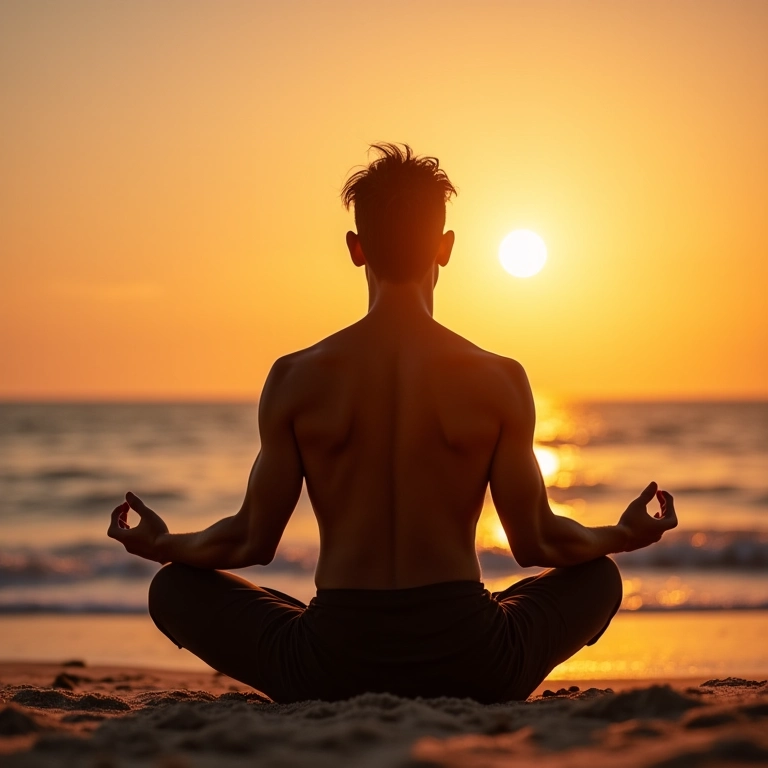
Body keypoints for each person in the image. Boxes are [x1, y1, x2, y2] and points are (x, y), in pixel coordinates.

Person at [107, 143, 677, 703]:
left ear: (356, 248)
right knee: (598, 577)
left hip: (328, 665)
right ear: (446, 247)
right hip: (476, 662)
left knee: (175, 588)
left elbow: (251, 539)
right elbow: (536, 540)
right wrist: (624, 535)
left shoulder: (295, 377)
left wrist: (162, 544)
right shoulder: (499, 379)